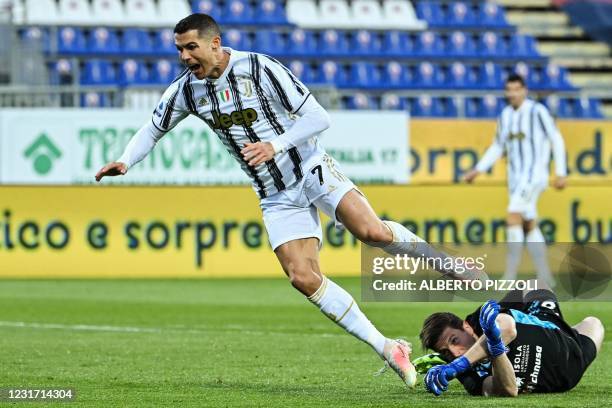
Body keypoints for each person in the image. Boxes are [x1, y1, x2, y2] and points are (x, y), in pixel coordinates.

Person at [94, 13, 479, 388]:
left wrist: (275, 144)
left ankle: (447, 264)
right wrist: (126, 160)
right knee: (303, 277)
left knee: (371, 231)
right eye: (179, 50)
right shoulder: (187, 90)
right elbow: (154, 127)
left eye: (191, 47)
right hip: (275, 194)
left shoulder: (261, 69)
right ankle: (387, 347)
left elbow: (317, 116)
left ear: (215, 43)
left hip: (311, 167)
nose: (184, 57)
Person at [464, 74, 567, 287]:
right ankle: (545, 276)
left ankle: (509, 276)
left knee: (513, 217)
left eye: (516, 89)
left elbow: (555, 137)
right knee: (528, 224)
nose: (512, 93)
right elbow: (498, 146)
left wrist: (561, 171)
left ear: (524, 90)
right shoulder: (505, 115)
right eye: (509, 89)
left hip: (533, 175)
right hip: (515, 178)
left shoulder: (537, 111)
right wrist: (478, 169)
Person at [419, 288, 603, 396]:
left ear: (466, 327)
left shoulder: (478, 320)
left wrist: (459, 364)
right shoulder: (467, 375)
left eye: (454, 340)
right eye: (446, 352)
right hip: (572, 369)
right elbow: (508, 389)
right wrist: (496, 349)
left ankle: (543, 321)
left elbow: (506, 327)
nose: (456, 352)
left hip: (558, 336)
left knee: (533, 286)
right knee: (593, 324)